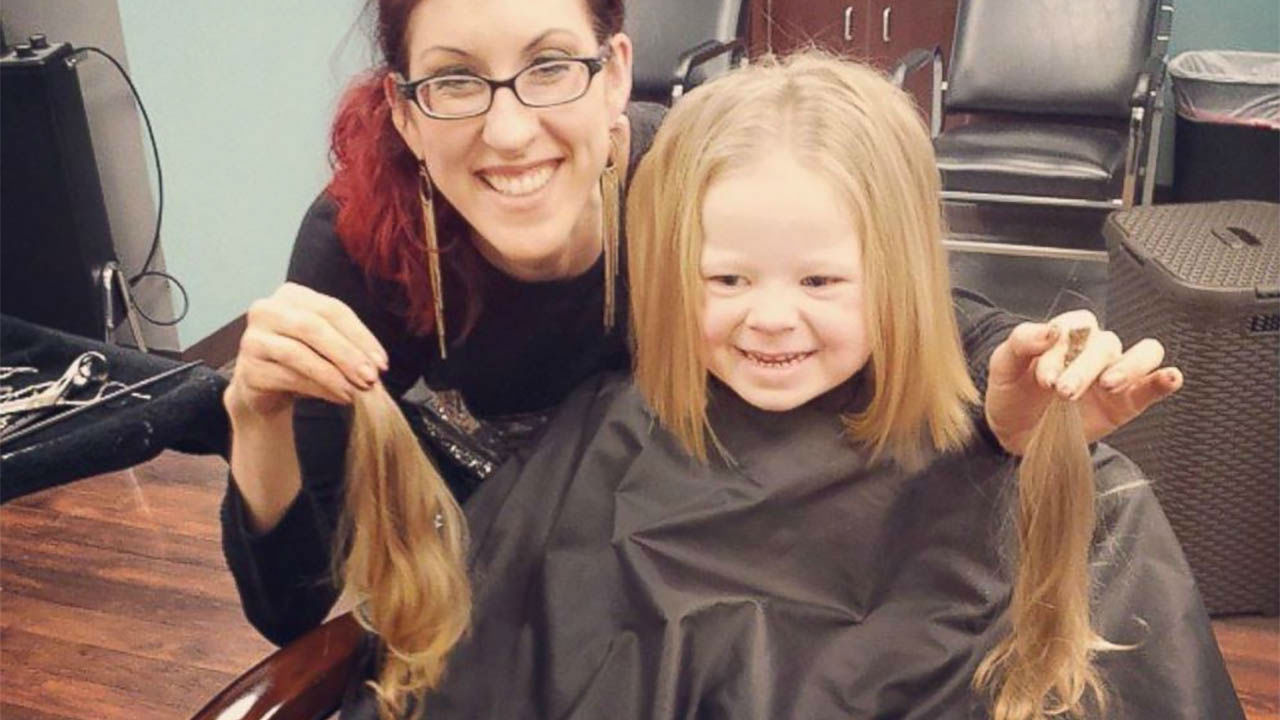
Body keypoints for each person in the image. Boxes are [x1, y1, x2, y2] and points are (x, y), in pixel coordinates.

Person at [220, 0, 1180, 655]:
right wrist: (256, 423)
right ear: (407, 111)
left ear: (614, 75)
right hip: (518, 594)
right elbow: (293, 611)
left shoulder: (684, 188)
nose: (509, 131)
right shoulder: (360, 253)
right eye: (455, 81)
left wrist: (1008, 375)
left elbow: (898, 297)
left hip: (706, 562)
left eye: (550, 66)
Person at [380, 52, 1242, 719]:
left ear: (897, 274)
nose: (771, 320)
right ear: (673, 273)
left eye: (821, 283)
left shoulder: (1017, 453)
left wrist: (1027, 412)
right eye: (727, 282)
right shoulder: (595, 443)